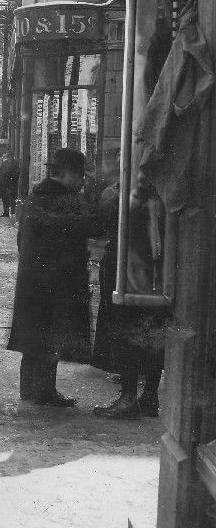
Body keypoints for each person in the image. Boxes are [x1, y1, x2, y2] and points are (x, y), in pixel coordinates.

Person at [6, 147, 101, 406]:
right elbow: (83, 228)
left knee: (33, 340)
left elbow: (21, 240)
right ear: (67, 174)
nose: (83, 181)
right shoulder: (62, 199)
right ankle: (44, 393)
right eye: (80, 175)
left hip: (33, 282)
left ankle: (30, 391)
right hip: (55, 284)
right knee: (50, 339)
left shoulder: (36, 196)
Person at [92, 172, 168, 420]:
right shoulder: (165, 196)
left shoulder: (126, 196)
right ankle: (149, 397)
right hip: (158, 273)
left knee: (124, 331)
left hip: (126, 269)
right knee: (153, 333)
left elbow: (107, 211)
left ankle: (128, 398)